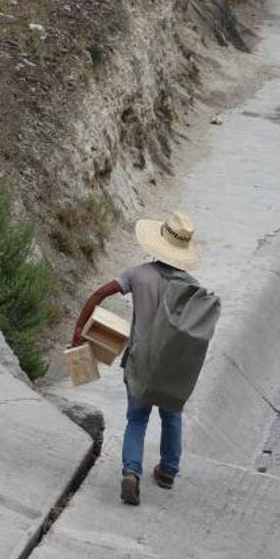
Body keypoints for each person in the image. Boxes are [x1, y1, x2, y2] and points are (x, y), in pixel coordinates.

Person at [72, 210, 201, 507]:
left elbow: (98, 295)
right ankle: (167, 471)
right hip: (171, 365)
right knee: (172, 417)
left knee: (137, 419)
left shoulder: (138, 274)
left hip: (140, 361)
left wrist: (79, 330)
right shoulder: (192, 287)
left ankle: (131, 473)